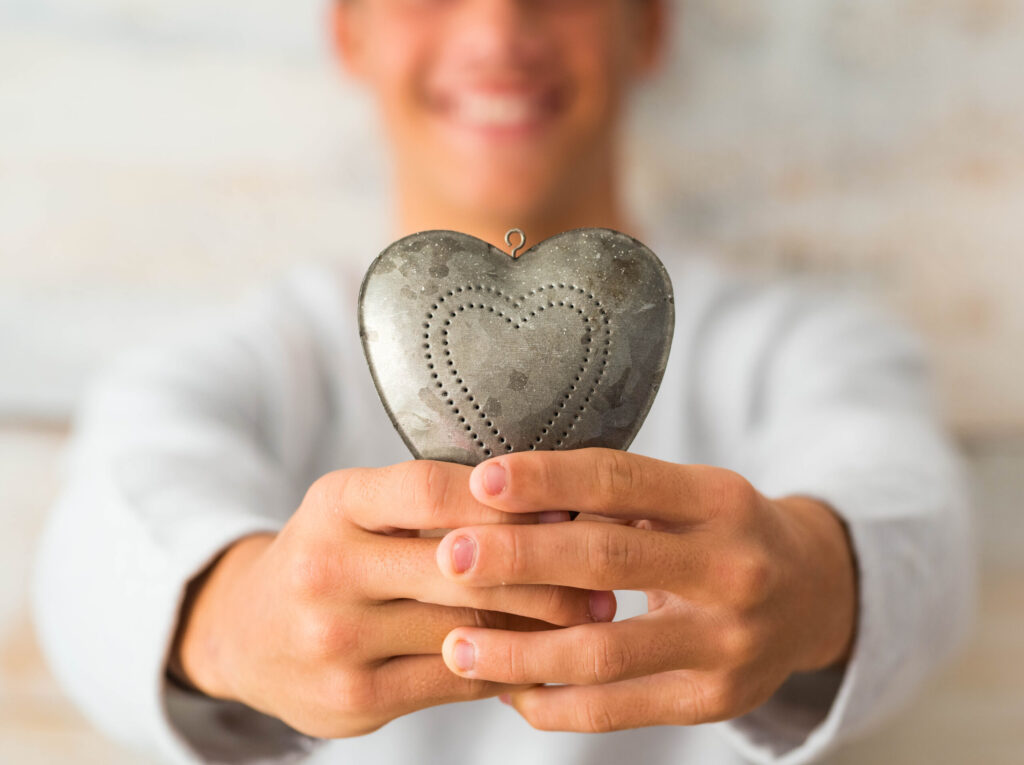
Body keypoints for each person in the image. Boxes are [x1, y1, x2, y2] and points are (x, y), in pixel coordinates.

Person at [32, 1, 973, 764]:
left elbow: (915, 510)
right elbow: (100, 525)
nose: (496, 33)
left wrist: (813, 576)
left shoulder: (802, 342)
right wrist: (228, 618)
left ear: (647, 26)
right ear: (347, 29)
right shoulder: (254, 356)